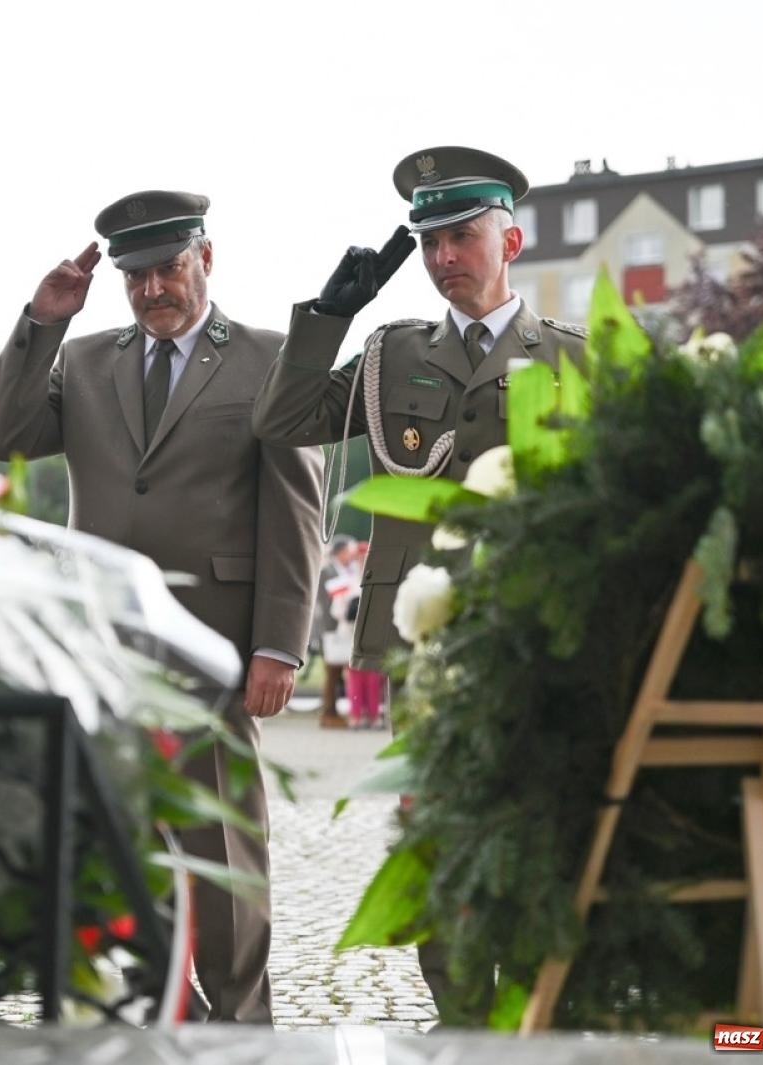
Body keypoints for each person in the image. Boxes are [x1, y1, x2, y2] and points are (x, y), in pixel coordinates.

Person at [253, 146, 588, 1025]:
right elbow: (283, 421)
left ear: (510, 238)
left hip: (529, 635)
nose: (443, 258)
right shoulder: (388, 354)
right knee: (432, 827)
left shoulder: (571, 358)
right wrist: (328, 317)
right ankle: (459, 1006)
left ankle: (530, 1000)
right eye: (429, 241)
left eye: (461, 237)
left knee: (532, 818)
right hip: (417, 640)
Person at [0, 190, 325, 1024]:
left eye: (168, 267)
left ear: (206, 258)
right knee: (113, 843)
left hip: (215, 649)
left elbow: (298, 506)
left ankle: (242, 1027)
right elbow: (8, 433)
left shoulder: (268, 358)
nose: (151, 288)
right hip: (105, 651)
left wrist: (280, 645)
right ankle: (143, 1018)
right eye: (134, 275)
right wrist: (43, 320)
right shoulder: (89, 359)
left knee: (223, 857)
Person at [316, 537, 360, 729]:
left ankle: (332, 711)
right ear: (340, 552)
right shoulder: (327, 571)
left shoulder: (344, 570)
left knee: (337, 672)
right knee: (331, 672)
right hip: (331, 627)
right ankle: (329, 713)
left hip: (341, 627)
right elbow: (326, 600)